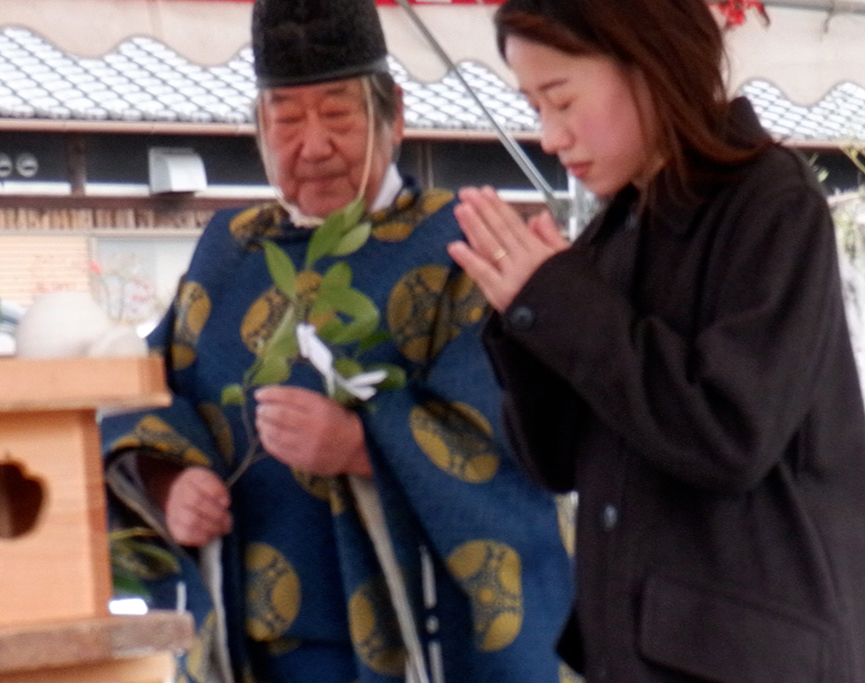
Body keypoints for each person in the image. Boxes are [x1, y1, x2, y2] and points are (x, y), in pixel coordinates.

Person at [101, 0, 573, 681]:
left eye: (338, 114)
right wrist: (167, 480)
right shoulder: (228, 251)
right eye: (286, 119)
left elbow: (520, 440)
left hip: (407, 644)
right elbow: (140, 391)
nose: (312, 145)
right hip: (251, 646)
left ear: (395, 115)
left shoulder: (460, 246)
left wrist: (364, 444)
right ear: (259, 129)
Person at [447, 0, 865, 681]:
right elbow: (556, 461)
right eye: (535, 107)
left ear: (649, 65)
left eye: (560, 100)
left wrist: (560, 303)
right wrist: (523, 312)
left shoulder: (771, 202)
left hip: (753, 658)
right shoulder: (614, 231)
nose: (550, 137)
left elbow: (728, 430)